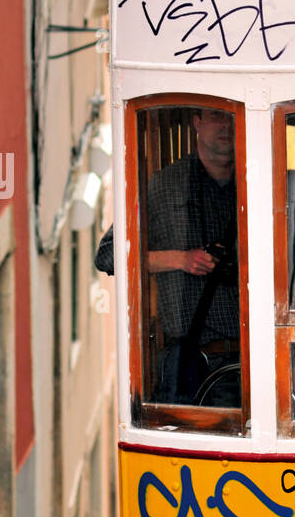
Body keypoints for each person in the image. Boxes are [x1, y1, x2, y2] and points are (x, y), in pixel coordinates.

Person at [95, 109, 240, 405]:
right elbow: (108, 256)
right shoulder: (164, 187)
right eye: (215, 115)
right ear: (196, 122)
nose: (225, 124)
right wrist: (180, 259)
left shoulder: (262, 182)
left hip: (259, 360)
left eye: (231, 115)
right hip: (191, 365)